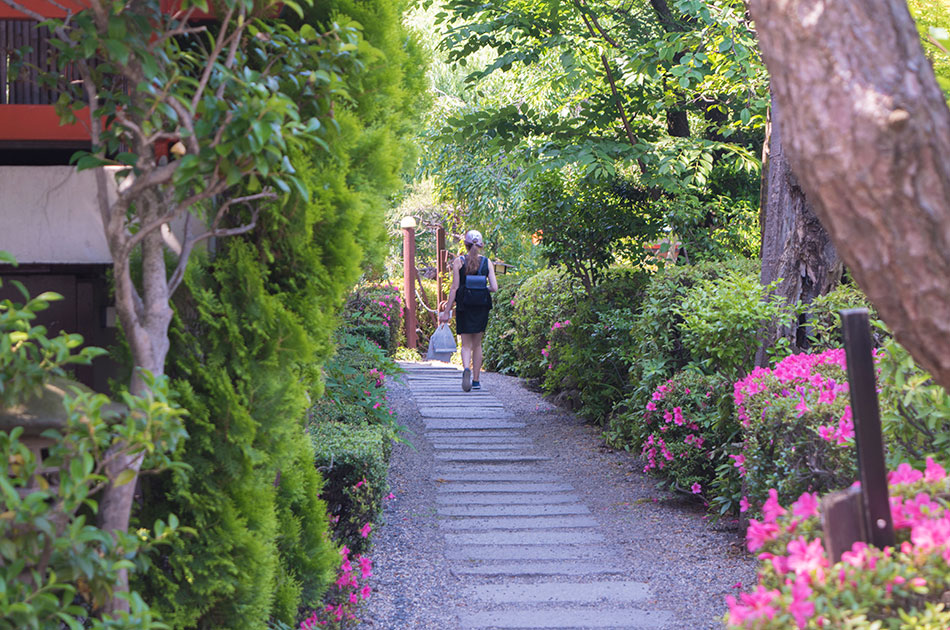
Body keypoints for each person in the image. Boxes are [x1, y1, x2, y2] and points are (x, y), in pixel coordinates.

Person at [439, 229, 498, 391]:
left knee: (466, 344)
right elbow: (494, 287)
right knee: (477, 345)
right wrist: (482, 287)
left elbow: (454, 288)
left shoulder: (459, 262)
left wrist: (446, 311)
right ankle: (477, 381)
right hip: (481, 306)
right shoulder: (487, 263)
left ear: (465, 244)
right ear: (480, 245)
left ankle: (466, 369)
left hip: (464, 305)